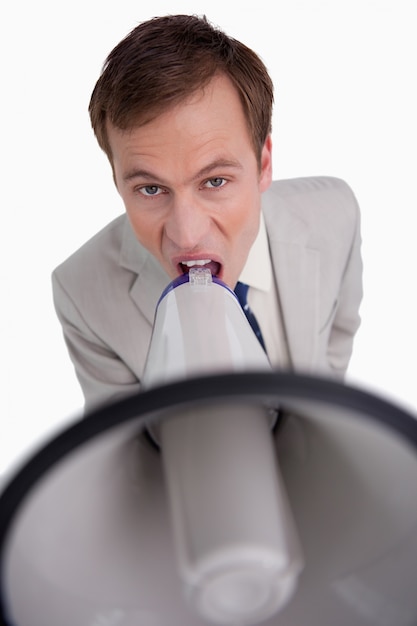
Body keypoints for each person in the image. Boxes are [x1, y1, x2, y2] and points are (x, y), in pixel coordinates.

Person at [52, 14, 363, 413]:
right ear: (117, 183)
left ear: (263, 163)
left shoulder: (336, 213)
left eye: (214, 182)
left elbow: (339, 336)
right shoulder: (83, 293)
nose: (187, 235)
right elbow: (131, 456)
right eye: (150, 189)